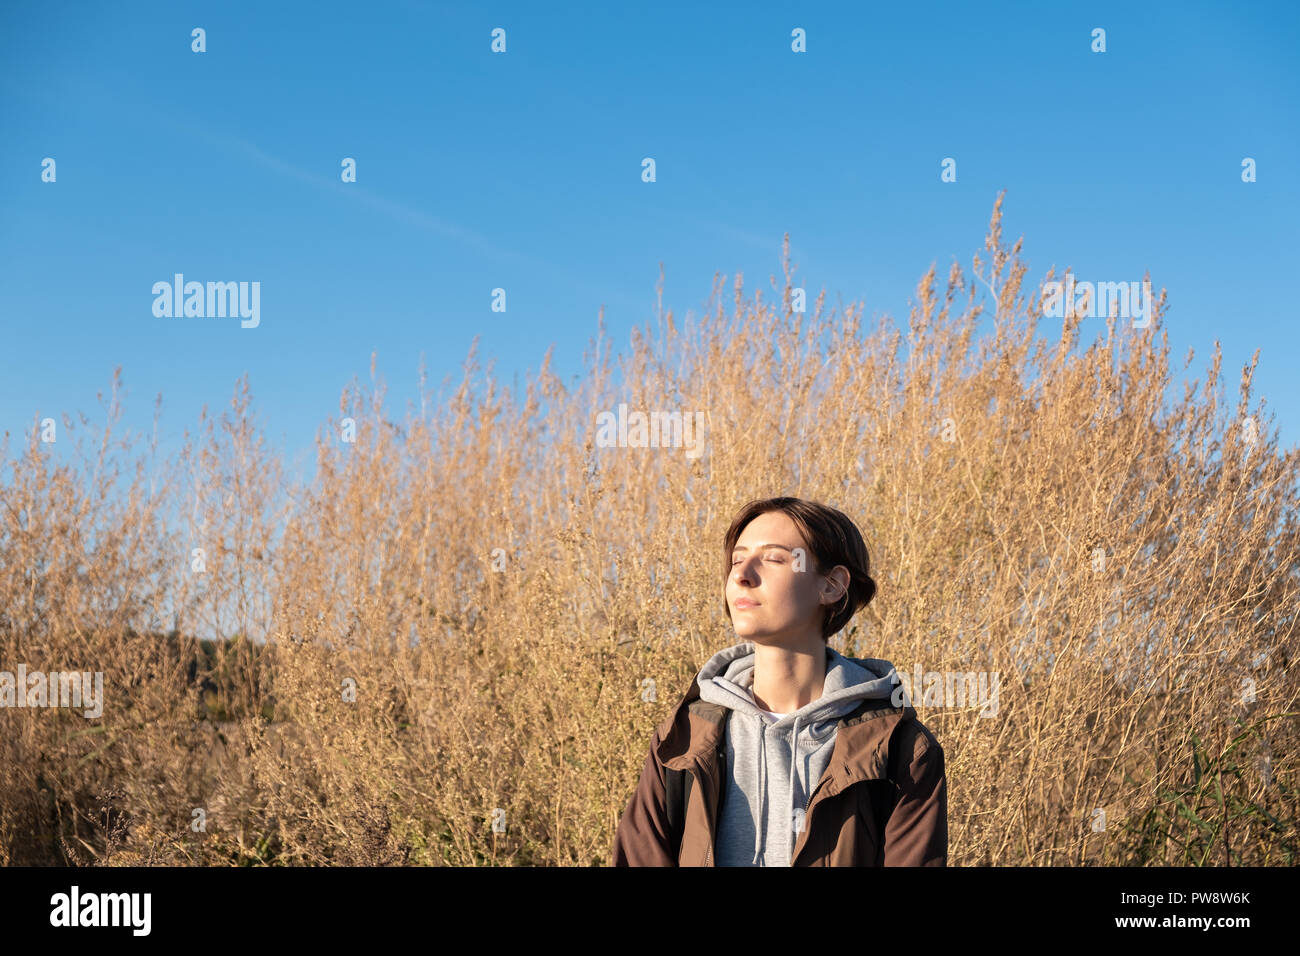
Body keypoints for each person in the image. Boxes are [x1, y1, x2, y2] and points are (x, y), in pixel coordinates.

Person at [610, 496, 947, 866]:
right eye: (737, 560)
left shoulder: (897, 748)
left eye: (772, 558)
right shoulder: (686, 736)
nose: (741, 575)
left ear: (832, 586)